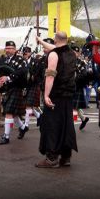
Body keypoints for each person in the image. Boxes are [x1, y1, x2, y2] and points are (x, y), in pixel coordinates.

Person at [34, 32, 77, 168]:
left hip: (56, 95)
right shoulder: (71, 53)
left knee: (52, 125)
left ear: (55, 40)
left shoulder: (53, 55)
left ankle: (51, 158)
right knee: (66, 125)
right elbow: (55, 47)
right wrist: (40, 41)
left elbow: (50, 76)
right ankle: (66, 157)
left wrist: (46, 95)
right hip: (68, 96)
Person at [0, 41, 28, 144]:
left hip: (17, 88)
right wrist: (0, 80)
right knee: (13, 114)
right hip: (8, 89)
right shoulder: (4, 60)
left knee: (8, 112)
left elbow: (22, 72)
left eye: (10, 48)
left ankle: (6, 136)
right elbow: (1, 71)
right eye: (7, 48)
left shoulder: (20, 60)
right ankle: (23, 127)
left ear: (15, 49)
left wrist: (9, 77)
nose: (8, 50)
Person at [21, 46, 43, 138]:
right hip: (25, 86)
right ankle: (39, 116)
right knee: (28, 104)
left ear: (30, 53)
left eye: (26, 53)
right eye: (24, 53)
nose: (25, 54)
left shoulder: (36, 61)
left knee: (28, 105)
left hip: (33, 85)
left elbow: (38, 73)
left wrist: (34, 77)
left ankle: (26, 125)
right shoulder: (21, 62)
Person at [71, 45, 90, 130]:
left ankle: (69, 125)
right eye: (73, 52)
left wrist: (75, 79)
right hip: (68, 86)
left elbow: (83, 75)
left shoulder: (81, 63)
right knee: (74, 106)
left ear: (78, 54)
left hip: (77, 86)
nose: (74, 54)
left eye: (76, 52)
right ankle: (83, 118)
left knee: (73, 105)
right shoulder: (67, 62)